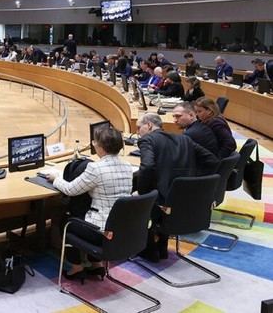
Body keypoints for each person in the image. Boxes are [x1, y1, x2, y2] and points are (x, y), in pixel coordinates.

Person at [46, 126, 133, 280]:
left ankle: (76, 266)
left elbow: (70, 190)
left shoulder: (95, 168)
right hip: (121, 229)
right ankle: (96, 264)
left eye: (95, 142)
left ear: (100, 147)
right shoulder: (127, 166)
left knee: (67, 221)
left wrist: (56, 179)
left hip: (101, 231)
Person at [135, 113, 218, 261]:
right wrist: (195, 180)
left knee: (136, 198)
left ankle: (149, 249)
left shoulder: (147, 139)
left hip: (163, 202)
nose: (137, 132)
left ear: (148, 125)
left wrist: (142, 193)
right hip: (187, 200)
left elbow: (147, 167)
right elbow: (212, 160)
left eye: (138, 127)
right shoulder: (184, 139)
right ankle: (161, 246)